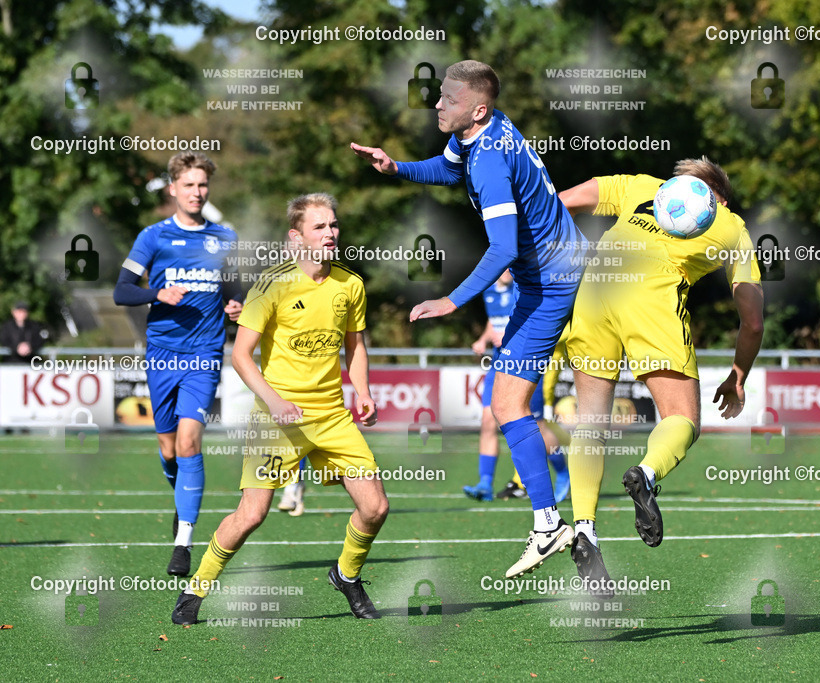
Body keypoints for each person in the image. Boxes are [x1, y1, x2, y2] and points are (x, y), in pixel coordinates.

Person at [351, 59, 586, 578]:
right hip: (554, 275)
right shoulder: (482, 134)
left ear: (477, 109)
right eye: (439, 96)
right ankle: (560, 523)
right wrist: (398, 169)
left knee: (508, 403)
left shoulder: (490, 162)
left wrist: (451, 301)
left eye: (448, 99)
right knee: (509, 403)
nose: (437, 104)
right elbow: (448, 168)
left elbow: (502, 246)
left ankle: (558, 523)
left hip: (554, 284)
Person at [171, 193, 386, 625]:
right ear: (297, 237)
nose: (331, 233)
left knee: (375, 507)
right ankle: (196, 588)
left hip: (331, 416)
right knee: (252, 514)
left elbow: (355, 347)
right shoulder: (271, 285)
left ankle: (346, 575)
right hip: (276, 419)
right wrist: (274, 401)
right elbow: (242, 355)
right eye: (320, 227)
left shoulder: (351, 284)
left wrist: (361, 389)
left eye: (334, 225)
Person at [557, 158, 764, 594]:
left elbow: (561, 202)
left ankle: (584, 530)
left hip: (596, 287)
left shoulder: (642, 186)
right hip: (650, 295)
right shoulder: (731, 225)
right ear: (718, 198)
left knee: (591, 421)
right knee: (683, 418)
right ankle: (647, 474)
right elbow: (754, 320)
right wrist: (738, 374)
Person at [113, 152, 242, 577]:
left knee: (189, 442)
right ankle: (180, 498)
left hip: (205, 354)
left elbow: (234, 287)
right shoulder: (153, 237)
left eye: (202, 185)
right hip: (161, 355)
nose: (196, 192)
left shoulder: (225, 237)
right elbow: (122, 291)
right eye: (188, 185)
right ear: (173, 189)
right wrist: (157, 294)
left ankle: (184, 541)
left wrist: (237, 304)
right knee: (168, 449)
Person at [463, 270, 570, 503]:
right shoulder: (489, 288)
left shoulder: (525, 286)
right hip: (498, 364)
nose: (507, 270)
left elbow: (538, 320)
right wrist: (483, 339)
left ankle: (563, 472)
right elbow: (494, 321)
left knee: (537, 426)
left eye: (511, 264)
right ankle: (485, 483)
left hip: (526, 363)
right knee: (488, 421)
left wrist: (511, 334)